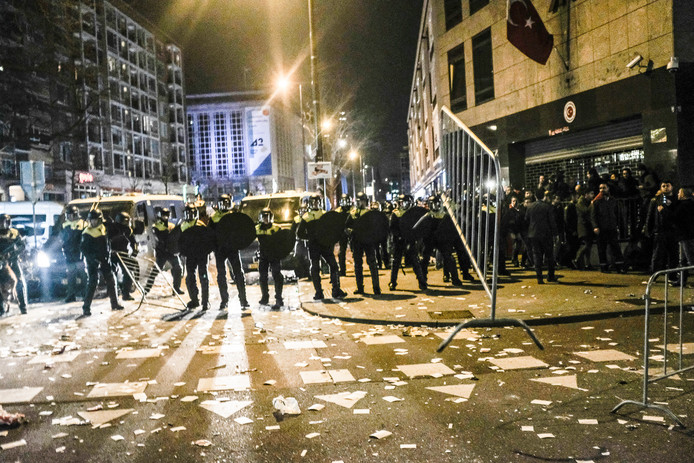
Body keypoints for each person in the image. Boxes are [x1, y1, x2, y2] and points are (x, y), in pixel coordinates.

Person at [297, 194, 347, 300]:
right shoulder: (306, 217)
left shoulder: (324, 214)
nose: (315, 204)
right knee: (315, 268)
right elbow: (299, 233)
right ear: (310, 204)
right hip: (314, 246)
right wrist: (310, 238)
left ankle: (336, 289)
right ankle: (319, 292)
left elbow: (331, 229)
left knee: (334, 266)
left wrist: (330, 239)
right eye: (313, 202)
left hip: (325, 245)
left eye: (317, 202)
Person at [80, 209, 123, 317]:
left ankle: (115, 304)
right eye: (92, 220)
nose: (93, 222)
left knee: (111, 281)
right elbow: (84, 250)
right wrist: (93, 260)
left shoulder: (104, 229)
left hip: (105, 260)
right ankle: (86, 308)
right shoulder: (87, 232)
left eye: (95, 220)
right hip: (93, 262)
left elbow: (112, 237)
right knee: (92, 283)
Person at [209, 194, 248, 309]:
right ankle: (224, 300)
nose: (224, 206)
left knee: (239, 274)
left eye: (226, 203)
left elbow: (242, 230)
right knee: (221, 275)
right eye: (222, 204)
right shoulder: (214, 217)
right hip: (220, 250)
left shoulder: (233, 216)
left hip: (232, 249)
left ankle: (243, 300)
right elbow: (210, 234)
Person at [416, 195, 463, 287]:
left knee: (449, 258)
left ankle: (454, 278)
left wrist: (450, 239)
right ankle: (423, 280)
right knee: (425, 260)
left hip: (442, 240)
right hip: (429, 240)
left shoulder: (445, 215)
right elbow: (418, 228)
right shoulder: (427, 216)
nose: (434, 206)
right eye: (432, 204)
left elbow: (451, 229)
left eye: (436, 204)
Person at [345, 192, 382, 295]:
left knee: (372, 264)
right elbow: (346, 226)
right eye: (359, 201)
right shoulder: (353, 213)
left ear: (366, 201)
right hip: (357, 241)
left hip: (368, 241)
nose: (361, 203)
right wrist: (350, 231)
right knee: (357, 265)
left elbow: (376, 227)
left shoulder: (370, 213)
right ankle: (360, 288)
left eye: (363, 201)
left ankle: (376, 288)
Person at [388, 194, 426, 291]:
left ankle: (422, 282)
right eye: (401, 203)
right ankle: (393, 281)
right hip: (399, 241)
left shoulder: (413, 213)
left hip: (410, 240)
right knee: (395, 262)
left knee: (415, 261)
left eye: (404, 202)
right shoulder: (396, 214)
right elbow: (393, 228)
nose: (402, 205)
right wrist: (399, 236)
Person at [143, 208, 183, 294]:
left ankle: (176, 289)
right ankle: (146, 289)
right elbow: (158, 238)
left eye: (167, 215)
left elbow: (174, 237)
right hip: (161, 252)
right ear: (160, 215)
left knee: (178, 268)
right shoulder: (156, 226)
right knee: (155, 270)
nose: (166, 217)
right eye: (164, 215)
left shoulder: (171, 225)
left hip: (171, 251)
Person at [644, 180, 679, 274]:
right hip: (659, 230)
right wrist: (649, 229)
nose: (666, 187)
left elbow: (677, 215)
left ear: (672, 187)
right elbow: (650, 216)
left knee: (673, 255)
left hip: (672, 230)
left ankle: (672, 275)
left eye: (667, 185)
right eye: (663, 186)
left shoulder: (676, 199)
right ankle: (654, 274)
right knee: (657, 255)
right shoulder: (656, 200)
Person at [181, 203, 210, 310]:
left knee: (203, 277)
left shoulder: (200, 225)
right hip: (190, 255)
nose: (190, 216)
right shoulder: (183, 226)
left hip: (201, 254)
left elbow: (207, 239)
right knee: (190, 277)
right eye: (188, 213)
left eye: (192, 213)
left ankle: (205, 302)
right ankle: (194, 300)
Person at [590, 183, 625, 273]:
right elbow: (593, 216)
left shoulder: (613, 201)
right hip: (601, 228)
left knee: (616, 248)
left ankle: (619, 266)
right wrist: (595, 226)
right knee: (602, 249)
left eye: (604, 188)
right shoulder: (597, 202)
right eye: (600, 188)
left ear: (608, 189)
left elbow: (617, 214)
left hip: (611, 227)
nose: (602, 190)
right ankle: (604, 267)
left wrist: (617, 225)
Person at [525, 189, 558, 284]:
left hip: (533, 234)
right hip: (546, 234)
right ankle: (550, 275)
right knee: (549, 255)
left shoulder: (530, 207)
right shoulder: (547, 207)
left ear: (535, 196)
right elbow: (552, 221)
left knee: (536, 255)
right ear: (543, 196)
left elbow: (526, 220)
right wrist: (555, 233)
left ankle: (539, 277)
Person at [256, 208, 284, 310]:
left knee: (277, 275)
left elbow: (283, 241)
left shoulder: (277, 228)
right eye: (264, 217)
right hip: (263, 256)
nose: (266, 219)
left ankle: (279, 298)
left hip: (274, 255)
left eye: (267, 216)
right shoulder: (257, 228)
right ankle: (265, 297)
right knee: (263, 277)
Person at [107, 211, 138, 301]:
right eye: (124, 221)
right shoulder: (111, 228)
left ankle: (126, 293)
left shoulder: (128, 229)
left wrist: (135, 250)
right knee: (112, 273)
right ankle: (113, 293)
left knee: (128, 272)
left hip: (123, 252)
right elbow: (107, 240)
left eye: (127, 222)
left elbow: (133, 241)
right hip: (112, 253)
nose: (126, 223)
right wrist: (110, 250)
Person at [0, 214, 28, 314]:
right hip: (1, 262)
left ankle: (23, 307)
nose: (3, 225)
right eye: (1, 223)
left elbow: (22, 245)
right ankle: (1, 309)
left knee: (20, 282)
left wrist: (12, 253)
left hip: (13, 261)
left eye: (5, 223)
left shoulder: (14, 232)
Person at [60, 206, 87, 303]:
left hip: (80, 253)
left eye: (71, 215)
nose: (70, 217)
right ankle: (71, 295)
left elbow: (85, 239)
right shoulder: (65, 225)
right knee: (71, 276)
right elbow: (62, 239)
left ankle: (86, 294)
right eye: (68, 215)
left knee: (83, 275)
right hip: (69, 254)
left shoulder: (83, 224)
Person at [572, 187, 595, 270]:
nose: (593, 195)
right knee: (586, 244)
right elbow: (585, 211)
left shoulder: (585, 201)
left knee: (589, 245)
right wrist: (592, 205)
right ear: (586, 195)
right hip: (583, 226)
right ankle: (576, 259)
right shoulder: (580, 202)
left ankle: (587, 264)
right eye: (591, 194)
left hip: (587, 225)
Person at [334, 194, 352, 276]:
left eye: (346, 201)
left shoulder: (353, 210)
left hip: (352, 233)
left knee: (356, 251)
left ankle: (358, 268)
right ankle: (342, 270)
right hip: (342, 233)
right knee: (342, 252)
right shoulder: (338, 211)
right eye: (343, 201)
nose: (345, 203)